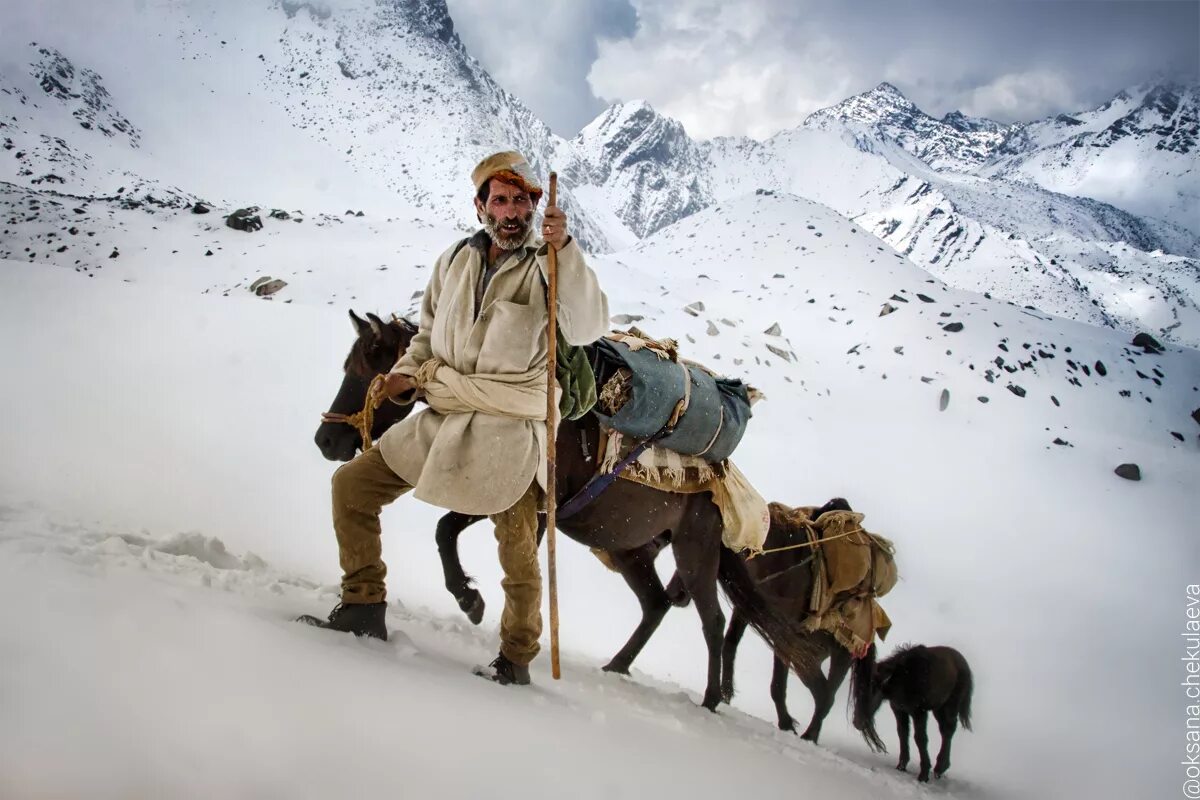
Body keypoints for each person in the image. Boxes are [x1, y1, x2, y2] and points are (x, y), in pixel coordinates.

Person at [299, 151, 609, 686]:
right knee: (352, 486)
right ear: (481, 206)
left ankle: (514, 660)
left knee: (518, 551)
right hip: (443, 416)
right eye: (499, 200)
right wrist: (403, 372)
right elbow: (424, 337)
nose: (510, 211)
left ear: (535, 205)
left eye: (520, 200)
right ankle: (362, 606)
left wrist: (568, 251)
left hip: (510, 428)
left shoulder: (549, 264)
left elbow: (586, 327)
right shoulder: (454, 261)